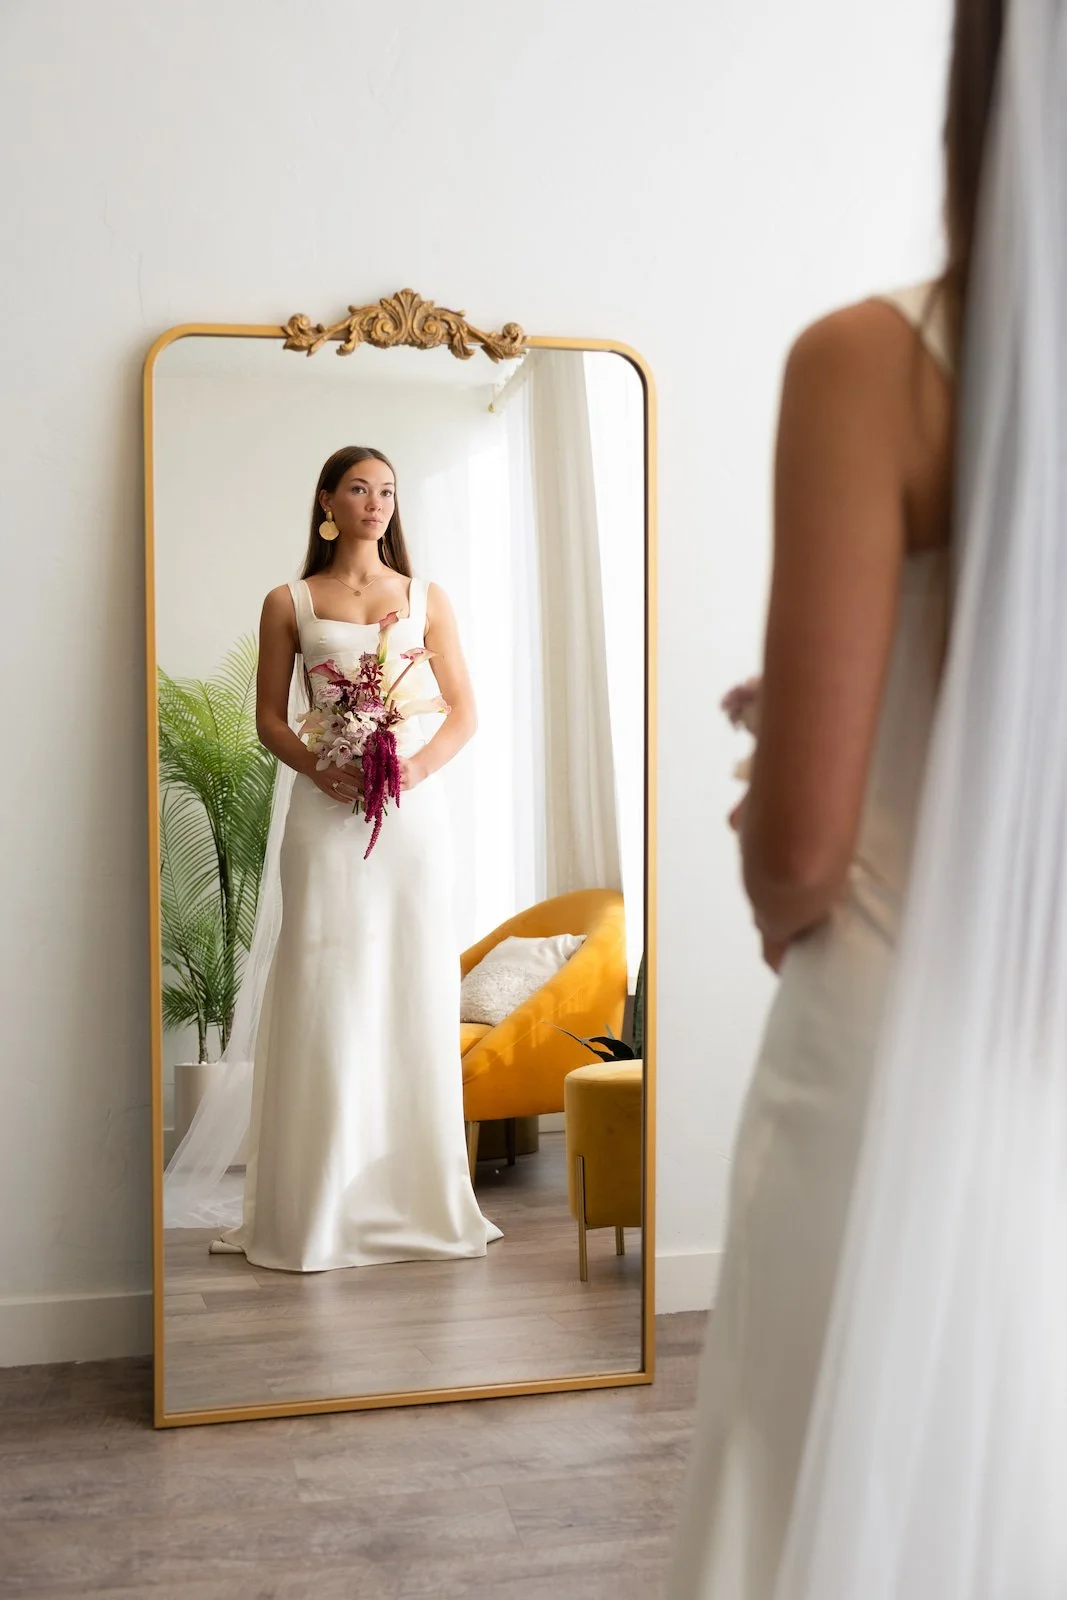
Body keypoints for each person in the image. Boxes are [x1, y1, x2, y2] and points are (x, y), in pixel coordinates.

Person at [666, 0, 1067, 1592]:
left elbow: (798, 854)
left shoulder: (872, 365)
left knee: (823, 1503)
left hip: (889, 1047)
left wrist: (800, 784)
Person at [210, 445, 501, 1271]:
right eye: (359, 489)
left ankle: (412, 1197)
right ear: (327, 502)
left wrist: (412, 770)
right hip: (324, 813)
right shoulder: (289, 600)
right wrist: (318, 767)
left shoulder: (426, 597)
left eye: (387, 491)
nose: (376, 503)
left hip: (411, 820)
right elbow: (270, 719)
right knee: (323, 981)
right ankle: (315, 1204)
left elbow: (463, 712)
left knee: (409, 978)